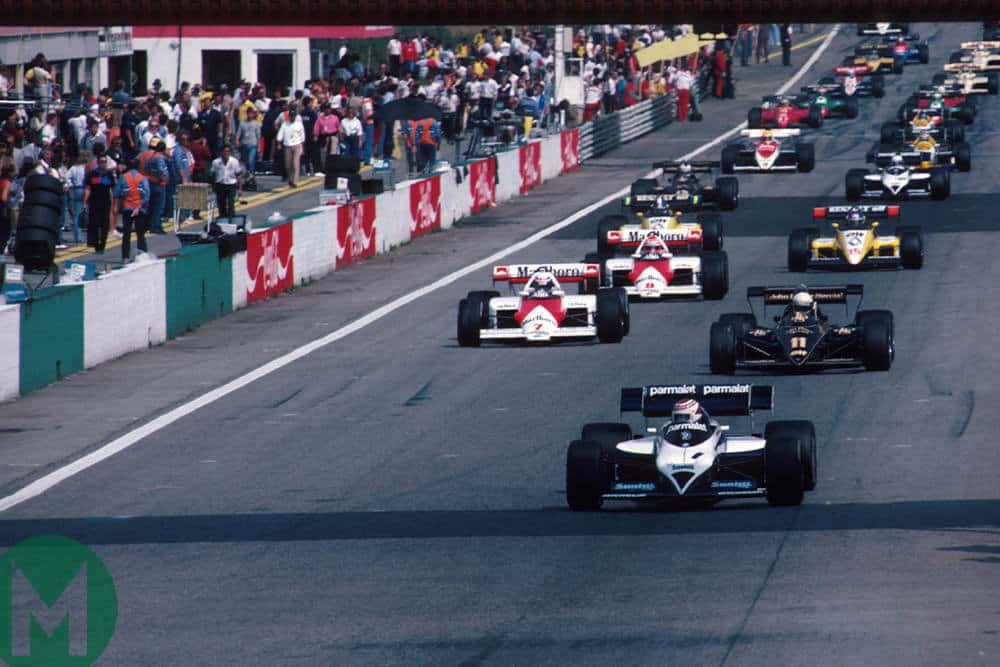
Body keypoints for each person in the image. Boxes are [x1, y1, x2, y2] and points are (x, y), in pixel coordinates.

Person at [113, 158, 150, 262]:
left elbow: (116, 192)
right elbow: (147, 195)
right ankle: (143, 256)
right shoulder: (142, 178)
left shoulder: (123, 177)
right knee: (140, 234)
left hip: (127, 208)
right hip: (140, 209)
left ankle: (125, 257)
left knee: (126, 234)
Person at [84, 153, 115, 252]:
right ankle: (96, 244)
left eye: (105, 162)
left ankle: (103, 244)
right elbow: (88, 188)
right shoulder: (92, 174)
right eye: (101, 162)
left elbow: (112, 189)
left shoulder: (109, 174)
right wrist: (85, 202)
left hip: (106, 202)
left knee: (105, 225)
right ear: (98, 162)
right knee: (95, 224)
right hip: (94, 202)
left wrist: (114, 204)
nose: (103, 164)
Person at [210, 144, 242, 220]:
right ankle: (223, 219)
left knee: (231, 203)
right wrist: (212, 186)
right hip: (220, 185)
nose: (226, 153)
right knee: (221, 204)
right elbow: (212, 174)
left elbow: (238, 175)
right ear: (221, 152)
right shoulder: (216, 162)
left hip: (231, 185)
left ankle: (232, 219)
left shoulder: (234, 161)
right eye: (224, 152)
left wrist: (240, 188)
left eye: (228, 151)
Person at [144, 138, 170, 233]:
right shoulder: (160, 158)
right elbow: (161, 169)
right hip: (159, 183)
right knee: (159, 206)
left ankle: (150, 224)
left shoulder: (151, 156)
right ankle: (156, 226)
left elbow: (146, 168)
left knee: (152, 205)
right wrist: (164, 178)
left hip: (151, 182)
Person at [276, 106, 305, 187]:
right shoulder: (285, 124)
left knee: (295, 163)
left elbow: (302, 135)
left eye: (293, 116)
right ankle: (290, 179)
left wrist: (302, 146)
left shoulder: (299, 124)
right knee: (288, 165)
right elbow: (280, 134)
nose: (292, 117)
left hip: (296, 145)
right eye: (291, 116)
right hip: (287, 145)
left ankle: (295, 181)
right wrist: (279, 143)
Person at [236, 108, 262, 186]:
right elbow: (238, 134)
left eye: (251, 114)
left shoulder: (256, 124)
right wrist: (237, 142)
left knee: (251, 161)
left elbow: (259, 136)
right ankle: (249, 177)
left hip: (253, 145)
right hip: (244, 145)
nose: (250, 115)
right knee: (246, 162)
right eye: (248, 113)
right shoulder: (242, 123)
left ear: (253, 114)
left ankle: (251, 175)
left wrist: (259, 147)